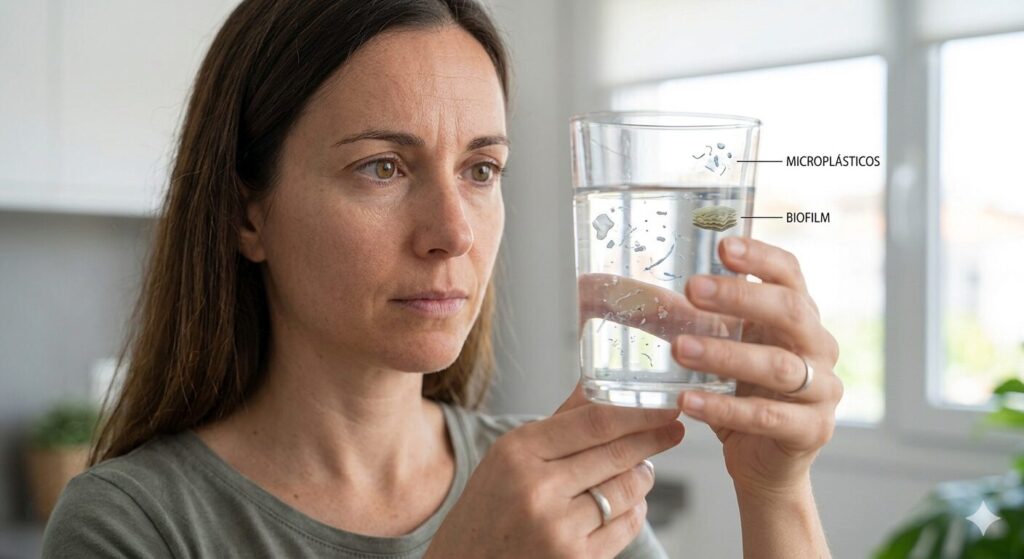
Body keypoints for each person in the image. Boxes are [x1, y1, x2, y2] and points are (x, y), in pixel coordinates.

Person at [41, 1, 843, 557]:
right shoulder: (134, 523)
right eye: (382, 167)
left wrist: (776, 492)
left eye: (482, 168)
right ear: (248, 215)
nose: (454, 232)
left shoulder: (553, 487)